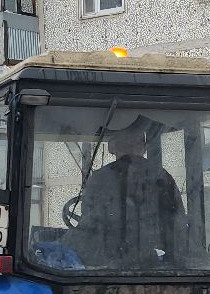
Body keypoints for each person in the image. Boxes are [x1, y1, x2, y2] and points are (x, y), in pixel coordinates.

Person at [73, 115, 183, 268]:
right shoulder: (163, 177)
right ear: (144, 147)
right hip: (151, 267)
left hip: (107, 268)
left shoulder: (100, 179)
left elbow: (88, 228)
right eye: (128, 143)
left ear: (112, 147)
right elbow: (178, 226)